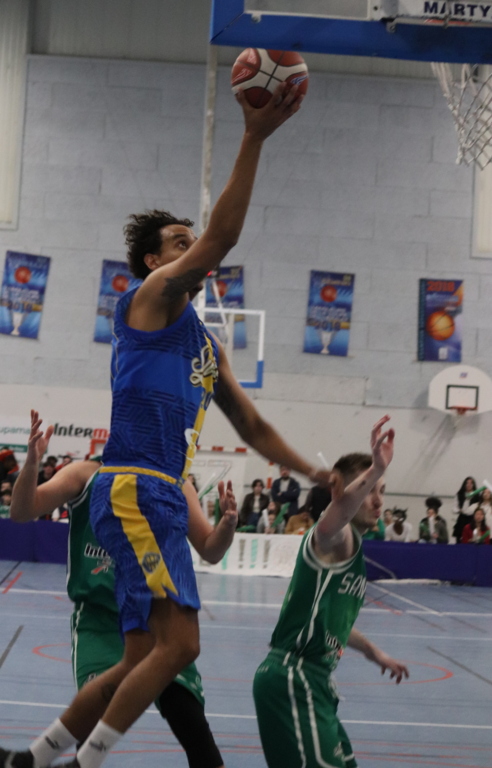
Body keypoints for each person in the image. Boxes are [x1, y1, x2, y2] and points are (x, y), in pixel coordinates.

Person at [0, 83, 334, 768]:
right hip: (135, 486)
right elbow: (222, 238)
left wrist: (313, 470)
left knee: (141, 657)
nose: (192, 250)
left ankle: (33, 759)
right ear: (156, 262)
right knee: (181, 646)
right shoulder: (148, 298)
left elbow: (251, 424)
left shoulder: (207, 347)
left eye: (189, 241)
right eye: (179, 243)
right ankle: (81, 764)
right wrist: (254, 136)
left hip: (159, 496)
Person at [8, 410, 238, 768]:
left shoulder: (176, 484)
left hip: (158, 621)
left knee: (191, 723)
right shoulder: (85, 474)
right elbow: (22, 511)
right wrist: (32, 464)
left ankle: (31, 760)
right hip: (100, 621)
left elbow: (210, 550)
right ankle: (37, 759)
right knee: (90, 727)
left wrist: (227, 525)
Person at [253, 416, 408, 768]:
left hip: (317, 682)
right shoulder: (335, 538)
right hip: (293, 676)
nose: (378, 501)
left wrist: (374, 652)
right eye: (370, 491)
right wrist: (376, 468)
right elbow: (333, 520)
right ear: (347, 492)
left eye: (382, 491)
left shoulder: (352, 553)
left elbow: (330, 623)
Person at [452, 476, 478, 542]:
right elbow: (454, 508)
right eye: (467, 483)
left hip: (472, 520)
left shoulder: (477, 496)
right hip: (462, 520)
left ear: (473, 485)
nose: (469, 485)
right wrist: (459, 510)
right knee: (459, 539)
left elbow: (475, 509)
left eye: (471, 483)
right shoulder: (459, 494)